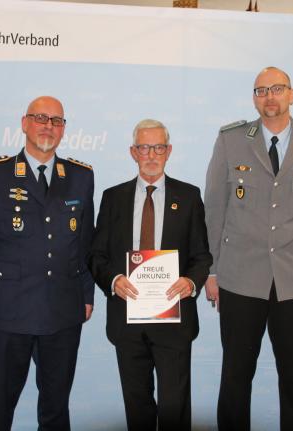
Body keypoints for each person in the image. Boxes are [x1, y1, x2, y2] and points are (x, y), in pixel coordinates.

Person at [204, 66, 293, 430]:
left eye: (277, 89)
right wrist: (212, 270)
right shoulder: (231, 140)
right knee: (235, 376)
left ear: (292, 94)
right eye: (261, 91)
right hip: (239, 279)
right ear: (254, 98)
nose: (269, 97)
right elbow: (215, 209)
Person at [0, 96, 95, 431]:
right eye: (40, 118)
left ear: (63, 129)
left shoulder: (80, 177)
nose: (48, 126)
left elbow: (85, 245)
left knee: (56, 408)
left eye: (56, 121)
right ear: (24, 123)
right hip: (8, 310)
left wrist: (86, 295)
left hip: (63, 310)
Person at [89, 119, 212, 431]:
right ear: (133, 152)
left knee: (175, 409)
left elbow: (202, 256)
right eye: (144, 148)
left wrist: (191, 281)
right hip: (126, 319)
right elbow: (96, 256)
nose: (152, 155)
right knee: (137, 408)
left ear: (168, 151)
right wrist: (113, 281)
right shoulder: (113, 198)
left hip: (174, 319)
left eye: (158, 147)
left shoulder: (189, 196)